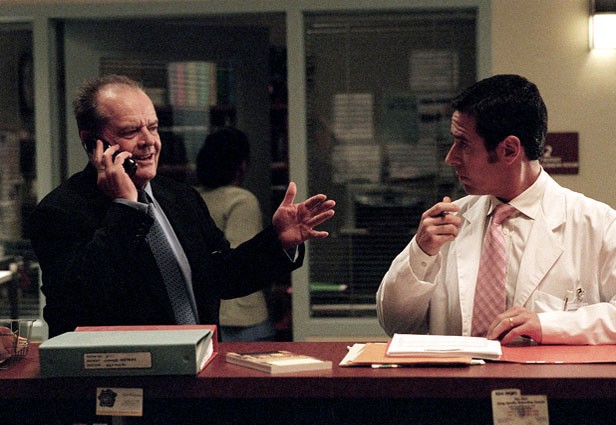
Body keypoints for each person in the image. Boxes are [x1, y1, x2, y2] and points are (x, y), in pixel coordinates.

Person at [29, 74, 335, 338]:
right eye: (131, 131)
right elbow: (83, 299)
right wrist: (126, 208)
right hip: (125, 378)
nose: (149, 141)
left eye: (153, 127)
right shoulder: (59, 211)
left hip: (198, 367)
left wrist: (277, 240)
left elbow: (222, 277)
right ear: (91, 142)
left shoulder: (179, 197)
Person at [377, 74, 616, 345]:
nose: (450, 158)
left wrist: (549, 325)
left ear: (510, 150)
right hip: (458, 373)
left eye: (464, 144)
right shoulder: (447, 222)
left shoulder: (598, 224)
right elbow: (394, 324)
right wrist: (420, 253)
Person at [195, 127, 275, 341]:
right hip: (242, 317)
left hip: (205, 311)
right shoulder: (241, 200)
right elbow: (242, 259)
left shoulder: (192, 197)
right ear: (242, 165)